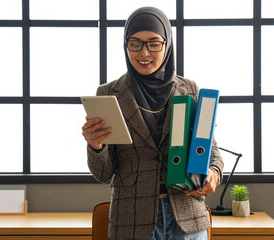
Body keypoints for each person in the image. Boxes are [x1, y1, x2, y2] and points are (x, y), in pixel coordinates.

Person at [82, 6, 224, 240]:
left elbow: (211, 151)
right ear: (125, 45)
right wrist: (95, 146)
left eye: (154, 43)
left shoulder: (189, 89)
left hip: (187, 215)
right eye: (135, 44)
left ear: (167, 45)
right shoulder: (109, 93)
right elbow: (103, 174)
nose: (144, 53)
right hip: (133, 220)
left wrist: (214, 172)